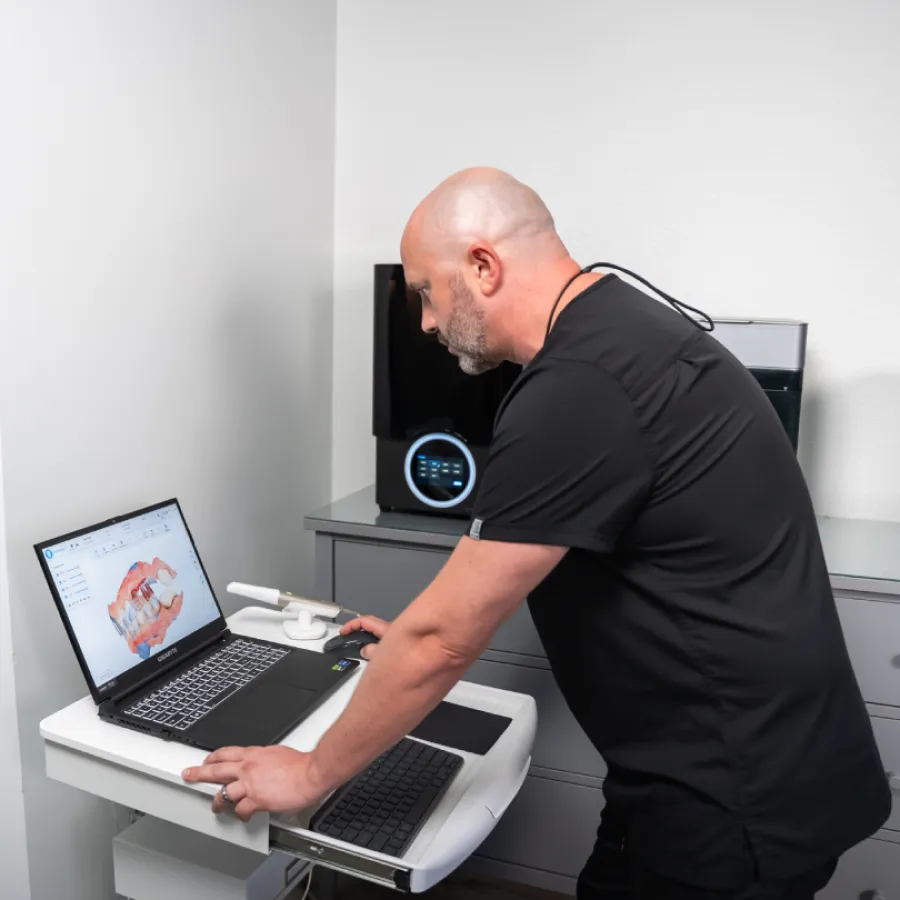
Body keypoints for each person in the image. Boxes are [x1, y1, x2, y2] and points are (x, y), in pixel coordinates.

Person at [184, 168, 890, 898]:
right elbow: (543, 571)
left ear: (483, 266)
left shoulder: (579, 386)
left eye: (426, 290)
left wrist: (308, 772)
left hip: (732, 802)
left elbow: (445, 639)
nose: (424, 322)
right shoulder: (625, 329)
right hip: (755, 769)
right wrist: (415, 638)